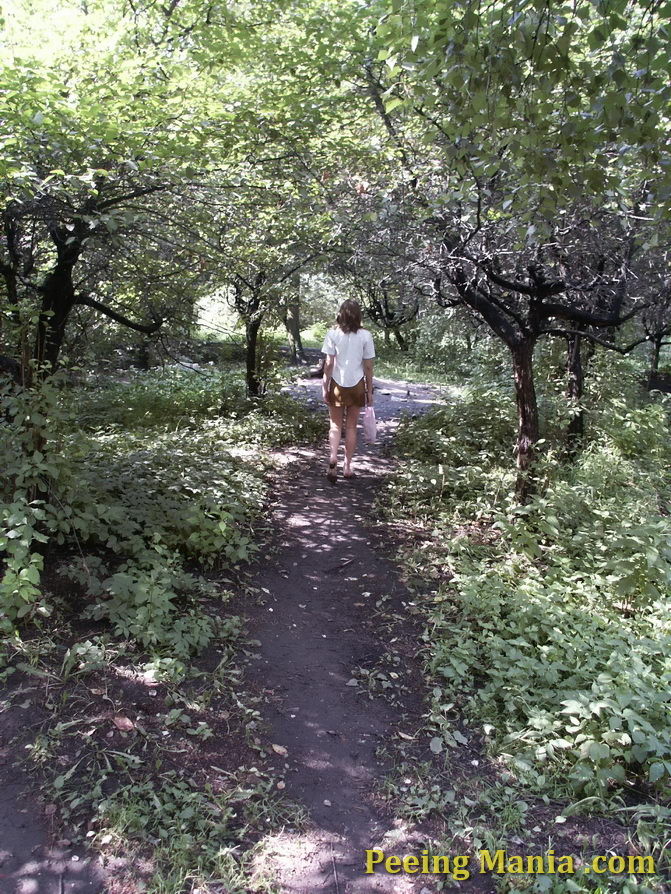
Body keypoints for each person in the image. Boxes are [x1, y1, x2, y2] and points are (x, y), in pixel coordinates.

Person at [321, 299, 375, 483]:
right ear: (358, 315)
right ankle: (348, 466)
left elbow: (328, 364)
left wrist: (325, 385)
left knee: (335, 426)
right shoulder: (366, 336)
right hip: (357, 384)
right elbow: (368, 367)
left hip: (337, 384)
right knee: (351, 427)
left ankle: (333, 457)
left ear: (340, 314)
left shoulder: (332, 334)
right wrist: (370, 391)